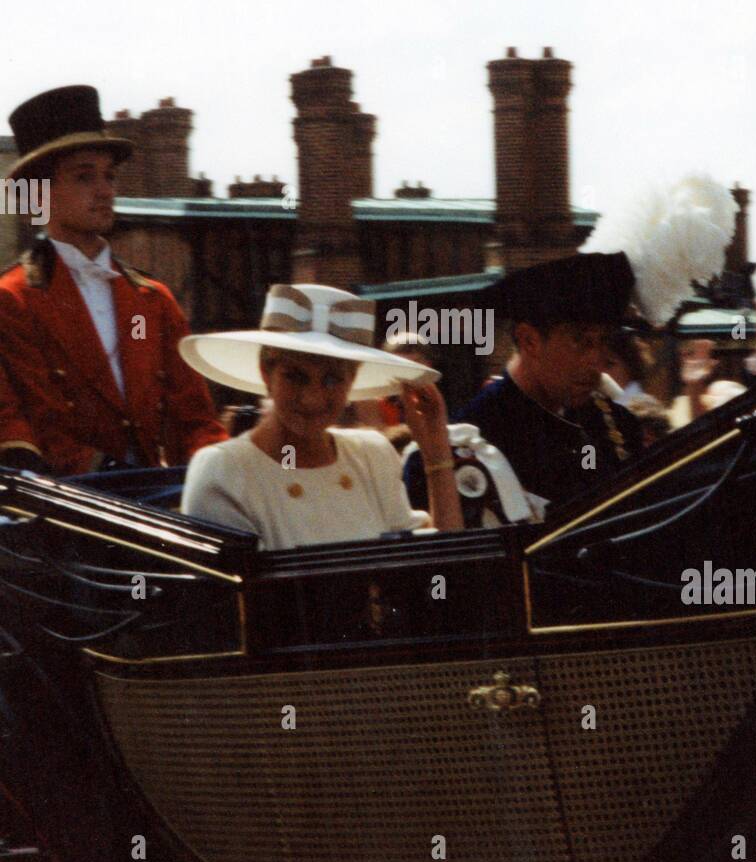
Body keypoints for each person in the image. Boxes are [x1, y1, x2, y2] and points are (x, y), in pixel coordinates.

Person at [0, 85, 227, 475]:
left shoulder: (152, 300)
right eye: (84, 177)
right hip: (72, 507)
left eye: (109, 177)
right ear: (40, 195)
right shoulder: (14, 300)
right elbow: (29, 430)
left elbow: (195, 420)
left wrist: (221, 470)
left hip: (162, 499)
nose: (105, 191)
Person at [180, 283, 464, 549]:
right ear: (267, 373)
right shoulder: (225, 470)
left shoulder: (371, 455)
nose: (312, 398)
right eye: (295, 377)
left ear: (351, 382)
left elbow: (439, 568)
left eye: (331, 380)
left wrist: (436, 453)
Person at [406, 253, 644, 519]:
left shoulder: (617, 426)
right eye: (581, 341)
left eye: (604, 342)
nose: (597, 361)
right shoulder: (466, 446)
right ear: (529, 341)